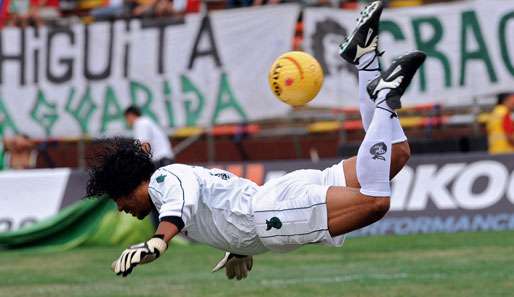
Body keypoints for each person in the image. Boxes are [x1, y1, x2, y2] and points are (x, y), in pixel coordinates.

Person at [87, 1, 425, 280]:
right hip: (275, 197)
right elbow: (221, 205)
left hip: (273, 214)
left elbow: (176, 211)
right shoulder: (176, 180)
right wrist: (239, 247)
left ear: (137, 183)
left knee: (375, 203)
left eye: (121, 197)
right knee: (395, 153)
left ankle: (382, 97)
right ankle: (364, 56)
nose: (120, 207)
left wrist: (155, 244)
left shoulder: (163, 180)